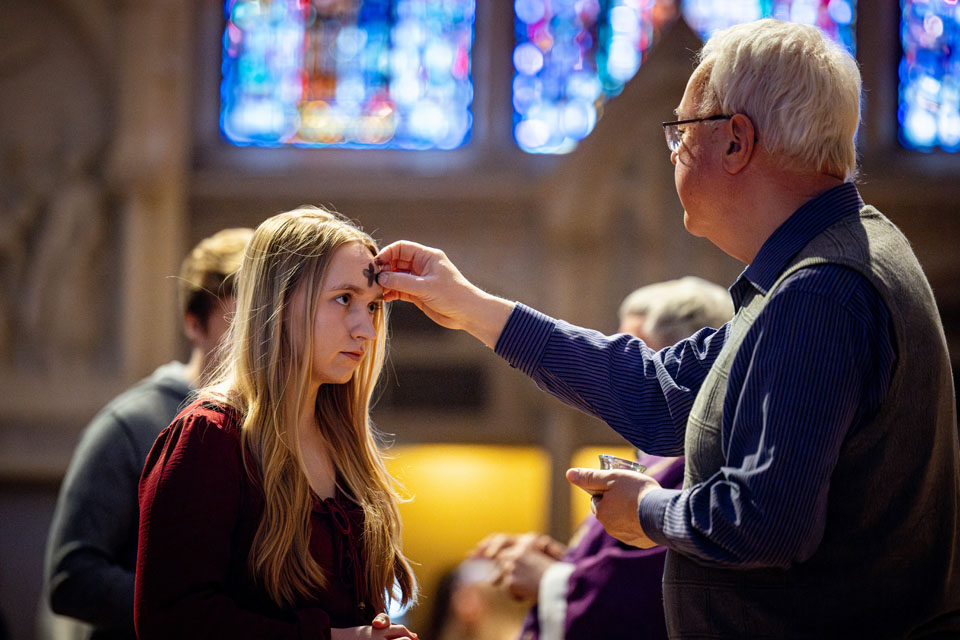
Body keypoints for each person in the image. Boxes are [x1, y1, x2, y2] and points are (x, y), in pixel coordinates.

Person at [371, 18, 960, 638]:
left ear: (736, 142)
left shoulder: (824, 288)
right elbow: (661, 394)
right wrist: (471, 307)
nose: (674, 151)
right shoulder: (826, 263)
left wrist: (646, 509)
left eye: (681, 132)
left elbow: (767, 521)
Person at [135, 207, 418, 639]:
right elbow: (171, 620)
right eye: (344, 299)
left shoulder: (344, 442)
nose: (367, 330)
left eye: (373, 306)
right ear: (279, 304)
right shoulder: (209, 437)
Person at [472, 278, 732, 640]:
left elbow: (652, 593)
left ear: (681, 361)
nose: (620, 371)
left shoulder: (702, 468)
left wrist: (551, 580)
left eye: (635, 354)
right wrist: (565, 560)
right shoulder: (653, 461)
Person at [42, 227, 253, 640]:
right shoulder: (129, 425)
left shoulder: (268, 425)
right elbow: (70, 578)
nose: (256, 341)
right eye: (241, 322)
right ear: (195, 324)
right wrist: (190, 612)